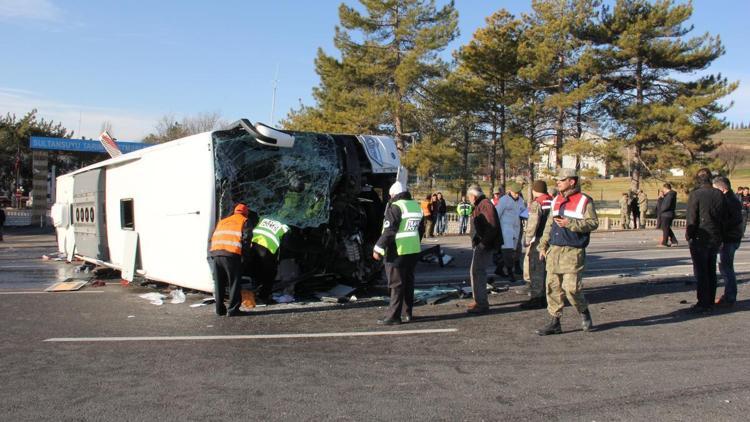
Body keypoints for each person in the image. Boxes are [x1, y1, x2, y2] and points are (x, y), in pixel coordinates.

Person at [536, 169, 599, 335]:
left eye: (561, 180)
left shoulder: (584, 200)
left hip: (573, 250)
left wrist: (570, 223)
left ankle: (583, 312)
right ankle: (555, 322)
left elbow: (593, 223)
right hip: (554, 250)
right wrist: (542, 246)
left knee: (571, 288)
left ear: (572, 181)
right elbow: (549, 225)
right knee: (552, 287)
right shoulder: (556, 199)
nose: (558, 182)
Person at [373, 181, 423, 325]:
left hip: (397, 251)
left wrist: (378, 248)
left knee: (396, 285)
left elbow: (389, 231)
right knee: (408, 283)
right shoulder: (415, 206)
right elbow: (420, 230)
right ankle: (407, 313)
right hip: (413, 250)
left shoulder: (396, 207)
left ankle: (393, 316)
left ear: (393, 194)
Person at [685, 168, 726, 313]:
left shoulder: (696, 194)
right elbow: (723, 216)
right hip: (715, 234)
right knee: (711, 269)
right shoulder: (718, 194)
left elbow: (692, 217)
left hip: (701, 236)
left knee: (701, 271)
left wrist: (689, 235)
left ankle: (703, 302)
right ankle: (709, 300)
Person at [209, 203, 252, 317]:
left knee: (219, 283)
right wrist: (245, 257)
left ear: (234, 211)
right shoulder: (244, 221)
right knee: (234, 282)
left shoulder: (223, 221)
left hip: (216, 253)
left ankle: (219, 309)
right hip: (231, 254)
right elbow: (246, 240)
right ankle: (233, 310)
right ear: (246, 213)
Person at [467, 184, 501, 314]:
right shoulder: (481, 204)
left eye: (469, 196)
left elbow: (492, 226)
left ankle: (481, 303)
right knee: (475, 272)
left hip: (485, 244)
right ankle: (478, 300)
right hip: (482, 243)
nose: (469, 199)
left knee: (478, 272)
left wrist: (483, 244)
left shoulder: (485, 204)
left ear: (473, 195)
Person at [520, 180, 553, 309]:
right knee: (548, 269)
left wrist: (527, 239)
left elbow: (533, 223)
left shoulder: (537, 203)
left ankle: (537, 297)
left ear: (534, 190)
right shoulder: (552, 200)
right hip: (552, 239)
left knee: (536, 268)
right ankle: (548, 295)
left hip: (539, 239)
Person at [713, 176, 743, 307]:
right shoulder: (732, 199)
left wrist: (721, 231)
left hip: (729, 239)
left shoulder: (729, 201)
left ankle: (730, 296)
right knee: (725, 267)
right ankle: (729, 294)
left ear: (723, 189)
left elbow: (734, 220)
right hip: (732, 237)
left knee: (726, 268)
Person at [248, 215, 291, 305]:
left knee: (256, 271)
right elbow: (287, 245)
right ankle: (263, 297)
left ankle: (254, 293)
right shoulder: (284, 226)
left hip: (254, 247)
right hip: (267, 250)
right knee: (270, 274)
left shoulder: (264, 219)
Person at [495, 182, 526, 281]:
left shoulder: (521, 200)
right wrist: (496, 229)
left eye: (518, 192)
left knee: (512, 251)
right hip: (505, 228)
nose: (517, 194)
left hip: (516, 228)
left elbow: (523, 211)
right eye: (515, 193)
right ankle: (510, 273)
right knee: (508, 251)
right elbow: (497, 214)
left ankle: (499, 269)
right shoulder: (504, 200)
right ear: (510, 191)